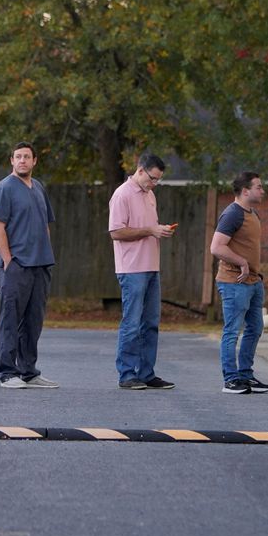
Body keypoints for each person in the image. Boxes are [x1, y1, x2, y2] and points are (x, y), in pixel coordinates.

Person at [0, 142, 59, 389]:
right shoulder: (5, 188)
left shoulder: (38, 187)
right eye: (18, 157)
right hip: (16, 265)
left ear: (34, 161)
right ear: (11, 161)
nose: (22, 161)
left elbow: (45, 225)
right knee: (10, 319)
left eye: (27, 157)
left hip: (40, 264)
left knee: (33, 321)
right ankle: (8, 373)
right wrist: (8, 260)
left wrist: (45, 254)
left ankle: (29, 371)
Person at [107, 153, 176, 390]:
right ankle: (126, 374)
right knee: (132, 323)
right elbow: (116, 232)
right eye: (152, 178)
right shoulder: (122, 194)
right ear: (140, 170)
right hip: (131, 268)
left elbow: (149, 229)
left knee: (151, 323)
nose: (154, 183)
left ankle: (146, 373)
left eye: (158, 180)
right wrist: (149, 230)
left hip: (151, 266)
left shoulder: (150, 195)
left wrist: (160, 230)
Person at [209, 171, 268, 395]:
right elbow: (216, 247)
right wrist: (242, 262)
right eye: (259, 187)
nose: (262, 191)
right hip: (234, 282)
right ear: (245, 191)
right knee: (232, 331)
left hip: (253, 282)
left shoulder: (252, 213)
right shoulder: (232, 214)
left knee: (255, 328)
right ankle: (231, 379)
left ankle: (245, 375)